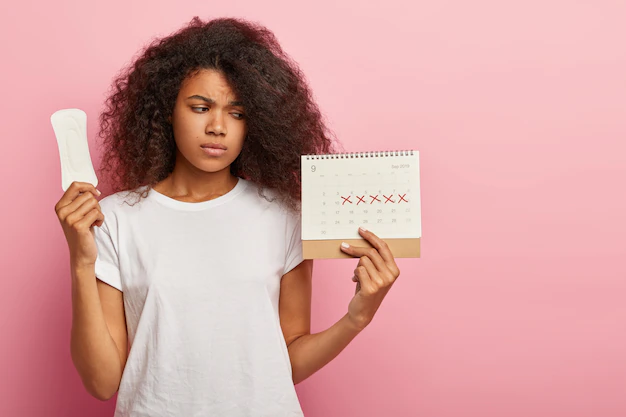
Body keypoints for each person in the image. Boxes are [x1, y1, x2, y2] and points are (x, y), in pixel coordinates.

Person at [54, 16, 401, 417]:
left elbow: (287, 361)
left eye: (237, 113)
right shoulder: (115, 219)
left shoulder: (285, 215)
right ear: (167, 110)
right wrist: (81, 261)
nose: (218, 127)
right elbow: (101, 383)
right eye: (200, 107)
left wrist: (357, 317)